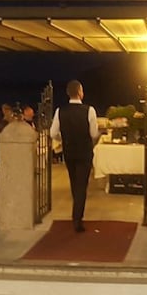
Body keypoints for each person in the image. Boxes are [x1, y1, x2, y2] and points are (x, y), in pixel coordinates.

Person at [50, 80, 99, 233]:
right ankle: (77, 218)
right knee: (82, 185)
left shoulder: (60, 111)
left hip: (69, 152)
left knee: (74, 182)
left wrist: (63, 138)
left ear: (68, 93)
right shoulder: (89, 110)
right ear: (79, 92)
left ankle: (76, 213)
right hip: (84, 152)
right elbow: (93, 133)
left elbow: (53, 133)